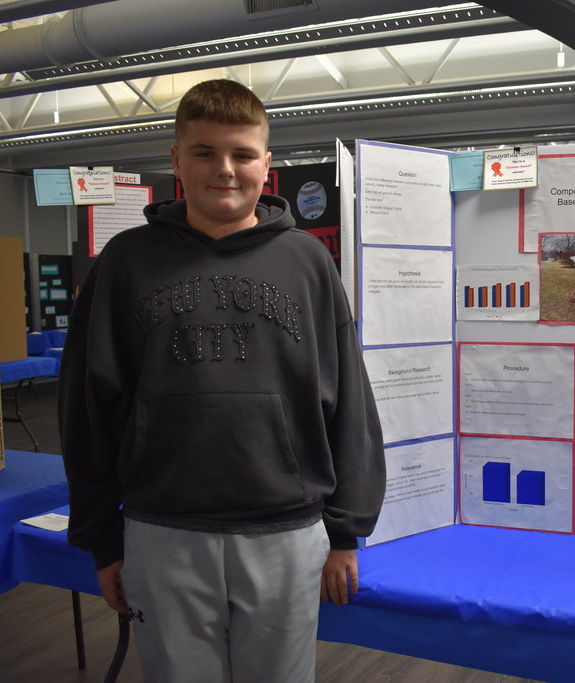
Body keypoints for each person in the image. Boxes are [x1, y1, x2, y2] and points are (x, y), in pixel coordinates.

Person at [59, 78, 386, 682]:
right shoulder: (124, 263)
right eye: (205, 152)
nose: (225, 170)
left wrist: (346, 533)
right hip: (161, 531)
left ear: (266, 162)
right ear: (176, 159)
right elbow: (86, 411)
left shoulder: (308, 262)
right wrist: (103, 540)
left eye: (242, 154)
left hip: (286, 533)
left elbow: (349, 407)